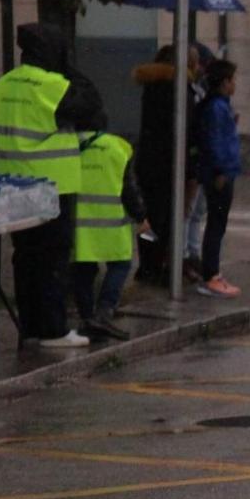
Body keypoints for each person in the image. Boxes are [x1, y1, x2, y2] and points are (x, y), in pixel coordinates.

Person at [0, 22, 100, 346]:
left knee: (25, 257)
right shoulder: (53, 85)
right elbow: (92, 103)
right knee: (53, 257)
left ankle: (31, 327)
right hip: (53, 186)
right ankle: (53, 329)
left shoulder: (2, 86)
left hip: (12, 182)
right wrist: (69, 69)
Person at [132, 43, 207, 282]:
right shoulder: (180, 90)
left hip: (148, 162)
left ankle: (147, 265)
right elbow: (187, 132)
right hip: (172, 165)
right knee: (170, 219)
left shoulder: (151, 86)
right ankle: (163, 267)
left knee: (150, 219)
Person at [71, 111, 145, 342]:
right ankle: (104, 311)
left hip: (79, 226)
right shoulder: (118, 147)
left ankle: (86, 316)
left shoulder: (68, 147)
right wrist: (141, 216)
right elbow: (129, 189)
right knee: (120, 265)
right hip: (113, 224)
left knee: (83, 269)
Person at [193, 59, 242, 299]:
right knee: (216, 224)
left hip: (225, 170)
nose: (234, 85)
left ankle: (212, 273)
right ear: (223, 83)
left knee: (217, 224)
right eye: (232, 80)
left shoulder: (220, 107)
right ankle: (210, 275)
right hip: (220, 174)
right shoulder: (216, 108)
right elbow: (214, 142)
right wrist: (221, 171)